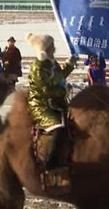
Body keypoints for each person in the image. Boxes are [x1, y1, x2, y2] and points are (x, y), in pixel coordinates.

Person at [25, 33, 77, 173]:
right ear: (45, 49)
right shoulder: (38, 67)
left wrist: (70, 64)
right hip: (41, 104)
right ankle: (51, 163)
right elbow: (45, 90)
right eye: (51, 46)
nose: (54, 48)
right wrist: (62, 90)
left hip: (54, 102)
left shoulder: (51, 63)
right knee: (58, 127)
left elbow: (59, 77)